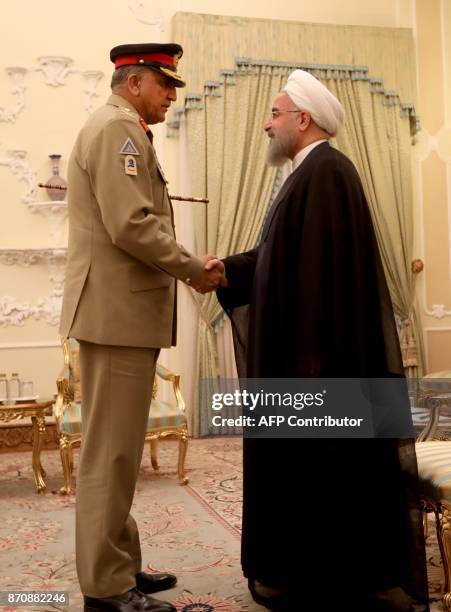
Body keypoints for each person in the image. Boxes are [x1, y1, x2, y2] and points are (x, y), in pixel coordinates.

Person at [214, 70, 429, 610]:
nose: (267, 125)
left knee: (324, 482)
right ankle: (297, 571)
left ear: (301, 120)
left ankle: (322, 580)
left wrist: (306, 367)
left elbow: (316, 280)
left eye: (274, 114)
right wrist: (226, 271)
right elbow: (280, 262)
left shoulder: (328, 173)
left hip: (319, 369)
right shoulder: (306, 174)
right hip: (311, 368)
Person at [59, 43, 225, 612]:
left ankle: (120, 565)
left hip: (119, 314)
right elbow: (131, 224)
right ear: (135, 82)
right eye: (166, 85)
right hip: (115, 315)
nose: (171, 97)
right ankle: (106, 589)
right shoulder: (116, 131)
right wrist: (192, 268)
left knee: (118, 451)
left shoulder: (122, 127)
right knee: (109, 453)